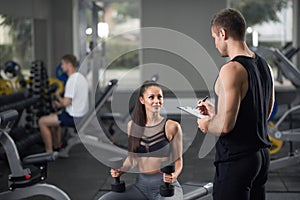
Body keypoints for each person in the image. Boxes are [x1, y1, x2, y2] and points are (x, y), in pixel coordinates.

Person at [197, 8, 275, 200]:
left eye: (215, 37)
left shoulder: (231, 69)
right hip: (261, 158)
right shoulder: (264, 65)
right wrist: (218, 112)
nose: (215, 43)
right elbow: (263, 111)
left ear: (223, 33)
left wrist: (206, 124)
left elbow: (225, 126)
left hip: (237, 160)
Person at [99, 80, 183, 200]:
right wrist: (121, 170)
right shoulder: (133, 126)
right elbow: (132, 159)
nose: (156, 101)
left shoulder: (171, 126)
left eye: (159, 97)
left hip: (165, 187)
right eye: (151, 97)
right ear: (142, 100)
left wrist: (174, 175)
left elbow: (178, 160)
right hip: (141, 186)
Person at [38, 54, 89, 152]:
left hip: (73, 117)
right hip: (81, 114)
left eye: (62, 64)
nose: (61, 67)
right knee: (54, 116)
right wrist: (59, 104)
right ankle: (57, 146)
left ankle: (49, 152)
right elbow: (71, 101)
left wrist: (58, 97)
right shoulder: (80, 77)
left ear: (69, 64)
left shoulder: (72, 80)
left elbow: (65, 103)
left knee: (42, 121)